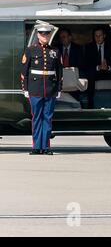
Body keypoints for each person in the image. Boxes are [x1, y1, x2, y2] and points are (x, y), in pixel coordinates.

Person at [21, 22, 63, 155]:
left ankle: (45, 147)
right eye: (42, 34)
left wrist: (59, 89)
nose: (45, 36)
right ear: (38, 35)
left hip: (50, 89)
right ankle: (36, 147)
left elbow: (59, 72)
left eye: (47, 34)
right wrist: (25, 88)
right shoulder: (30, 50)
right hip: (35, 89)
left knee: (47, 118)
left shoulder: (55, 51)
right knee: (37, 118)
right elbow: (24, 72)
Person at [85, 27, 111, 108]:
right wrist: (98, 67)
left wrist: (108, 68)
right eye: (96, 36)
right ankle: (90, 104)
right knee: (90, 74)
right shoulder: (89, 47)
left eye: (100, 35)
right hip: (96, 72)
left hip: (108, 71)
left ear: (104, 36)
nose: (98, 38)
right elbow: (87, 64)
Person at [58, 28, 85, 100]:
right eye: (60, 38)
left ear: (70, 37)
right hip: (60, 74)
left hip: (73, 74)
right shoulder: (57, 49)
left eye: (64, 37)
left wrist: (70, 72)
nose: (62, 39)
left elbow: (81, 64)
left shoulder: (78, 48)